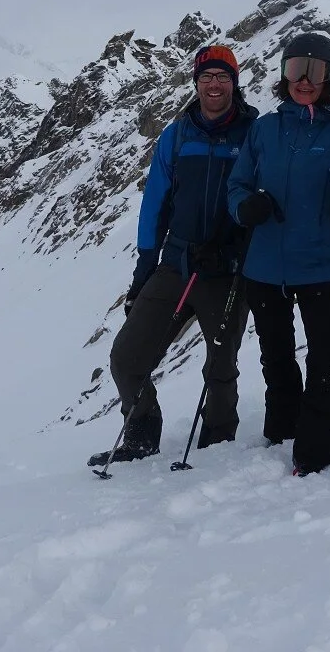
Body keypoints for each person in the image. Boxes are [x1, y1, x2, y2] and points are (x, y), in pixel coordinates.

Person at [89, 44, 259, 467]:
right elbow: (155, 204)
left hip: (227, 270)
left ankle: (218, 446)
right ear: (196, 83)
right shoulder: (177, 133)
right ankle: (143, 431)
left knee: (221, 369)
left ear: (235, 83)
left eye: (223, 77)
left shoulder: (254, 132)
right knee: (127, 358)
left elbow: (264, 201)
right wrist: (146, 268)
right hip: (177, 265)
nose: (215, 84)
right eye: (207, 77)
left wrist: (237, 252)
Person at [226, 33, 330, 476]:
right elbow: (237, 186)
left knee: (327, 359)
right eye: (296, 68)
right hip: (265, 266)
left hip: (321, 267)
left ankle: (314, 448)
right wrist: (244, 207)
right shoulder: (264, 129)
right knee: (276, 356)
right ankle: (282, 428)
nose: (304, 80)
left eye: (315, 70)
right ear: (283, 74)